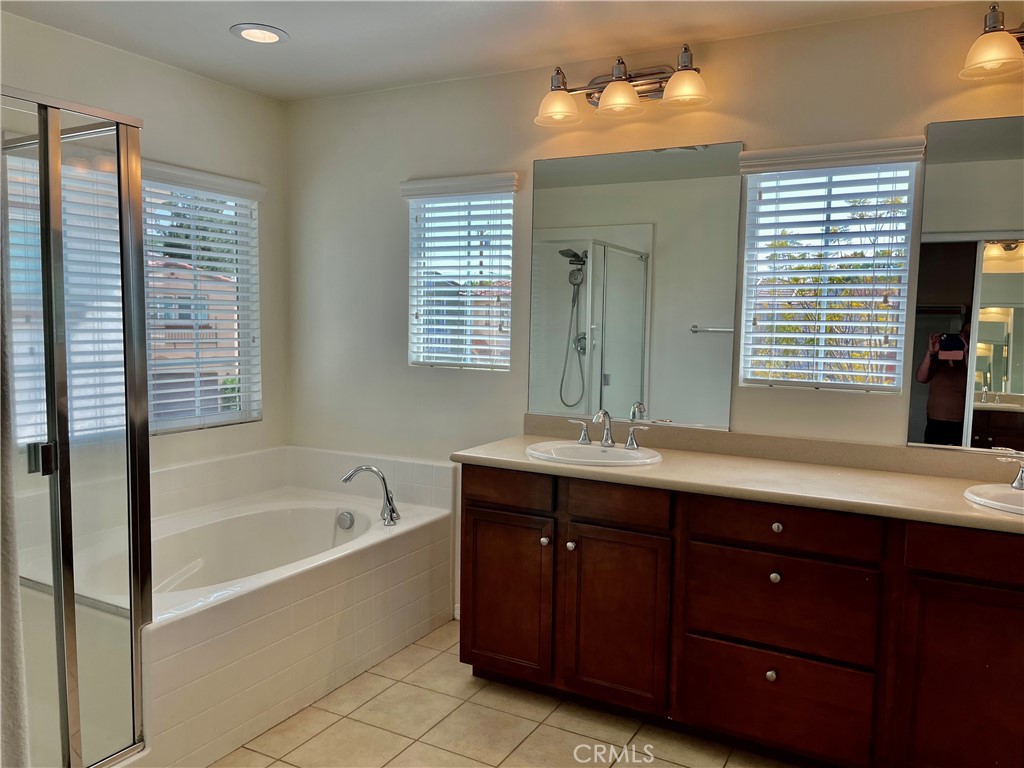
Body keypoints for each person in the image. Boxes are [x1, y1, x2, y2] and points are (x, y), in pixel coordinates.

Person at [915, 322, 970, 446]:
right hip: (934, 421)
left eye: (970, 334)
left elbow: (973, 382)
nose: (966, 336)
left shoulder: (969, 363)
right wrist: (931, 352)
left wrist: (967, 352)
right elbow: (920, 378)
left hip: (958, 422)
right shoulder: (939, 360)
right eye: (964, 333)